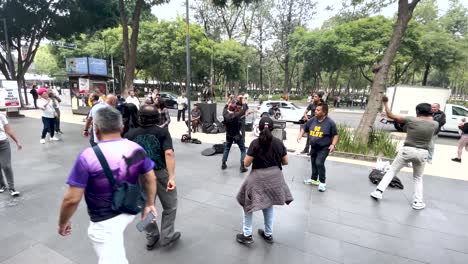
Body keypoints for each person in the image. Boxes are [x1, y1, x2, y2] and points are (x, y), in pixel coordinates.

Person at [58, 107, 157, 264]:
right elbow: (150, 178)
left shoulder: (88, 156)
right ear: (122, 127)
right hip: (130, 208)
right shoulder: (136, 149)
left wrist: (63, 222)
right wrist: (150, 204)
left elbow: (71, 199)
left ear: (96, 130)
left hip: (105, 221)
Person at [125, 105, 181, 250]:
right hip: (160, 173)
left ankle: (151, 236)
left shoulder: (130, 134)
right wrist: (172, 177)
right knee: (170, 205)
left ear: (140, 117)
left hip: (140, 175)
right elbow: (169, 153)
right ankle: (167, 236)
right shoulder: (162, 132)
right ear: (157, 117)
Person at [370, 97, 438, 210]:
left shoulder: (411, 119)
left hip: (407, 150)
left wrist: (385, 103)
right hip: (422, 153)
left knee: (392, 171)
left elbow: (390, 115)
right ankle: (418, 202)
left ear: (417, 112)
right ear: (430, 112)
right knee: (418, 178)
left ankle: (378, 191)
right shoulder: (435, 124)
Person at [236, 117, 293, 245]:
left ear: (259, 128)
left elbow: (246, 163)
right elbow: (286, 162)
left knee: (247, 204)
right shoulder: (278, 142)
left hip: (258, 178)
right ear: (272, 128)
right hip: (276, 178)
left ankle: (247, 235)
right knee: (268, 204)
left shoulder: (255, 143)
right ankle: (268, 234)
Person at [297, 104, 338, 192]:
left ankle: (322, 182)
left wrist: (333, 145)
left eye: (318, 110)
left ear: (324, 112)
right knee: (313, 163)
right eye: (316, 109)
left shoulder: (330, 123)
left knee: (319, 163)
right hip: (314, 146)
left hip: (324, 147)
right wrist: (300, 135)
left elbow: (335, 135)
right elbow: (305, 127)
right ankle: (314, 179)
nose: (315, 111)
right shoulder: (312, 120)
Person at [222, 96, 247, 172]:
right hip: (237, 136)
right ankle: (242, 166)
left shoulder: (225, 114)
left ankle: (223, 163)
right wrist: (243, 101)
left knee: (227, 148)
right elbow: (244, 108)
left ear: (229, 108)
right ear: (235, 109)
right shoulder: (237, 116)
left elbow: (225, 107)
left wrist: (229, 100)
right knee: (243, 150)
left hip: (229, 135)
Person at [0, 112, 22, 196]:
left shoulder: (1, 116)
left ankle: (12, 188)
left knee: (6, 166)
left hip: (3, 143)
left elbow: (8, 130)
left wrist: (17, 141)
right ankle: (2, 185)